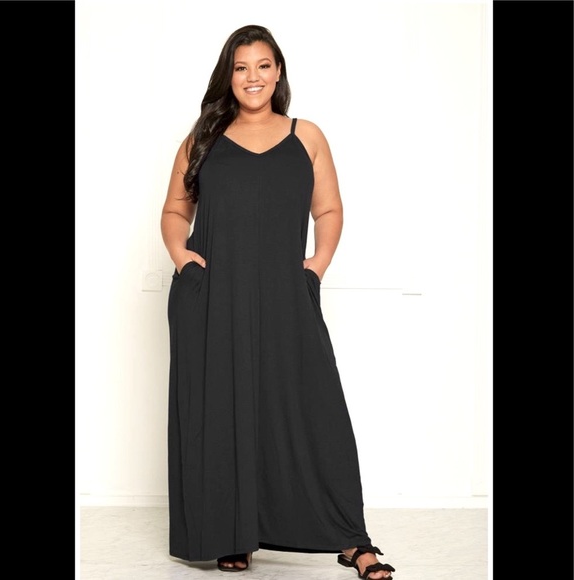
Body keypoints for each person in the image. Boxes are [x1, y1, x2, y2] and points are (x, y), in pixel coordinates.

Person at [160, 24, 396, 580]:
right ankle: (234, 533)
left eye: (263, 65)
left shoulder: (305, 135)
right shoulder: (203, 138)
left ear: (279, 71)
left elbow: (329, 210)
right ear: (228, 76)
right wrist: (181, 256)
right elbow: (174, 210)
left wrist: (316, 266)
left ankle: (350, 538)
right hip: (213, 297)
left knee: (316, 410)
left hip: (285, 294)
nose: (253, 77)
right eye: (241, 67)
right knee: (223, 412)